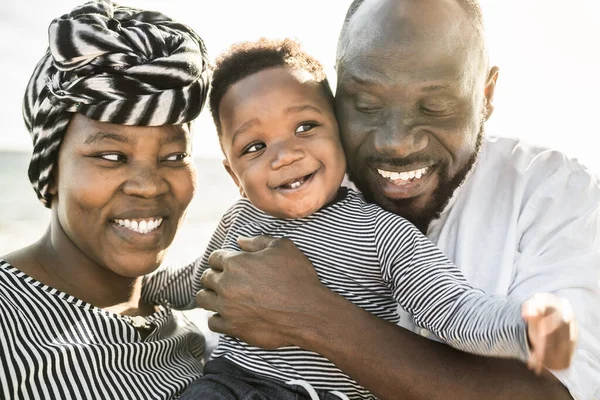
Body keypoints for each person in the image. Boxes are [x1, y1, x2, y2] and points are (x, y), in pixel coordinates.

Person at [192, 1, 600, 399]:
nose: (396, 143)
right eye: (366, 105)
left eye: (435, 106)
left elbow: (551, 391)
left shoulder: (550, 192)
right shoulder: (304, 176)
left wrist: (312, 316)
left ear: (486, 95)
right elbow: (199, 279)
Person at [0, 1, 211, 399]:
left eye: (174, 156)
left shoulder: (183, 330)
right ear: (50, 171)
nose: (148, 186)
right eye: (111, 156)